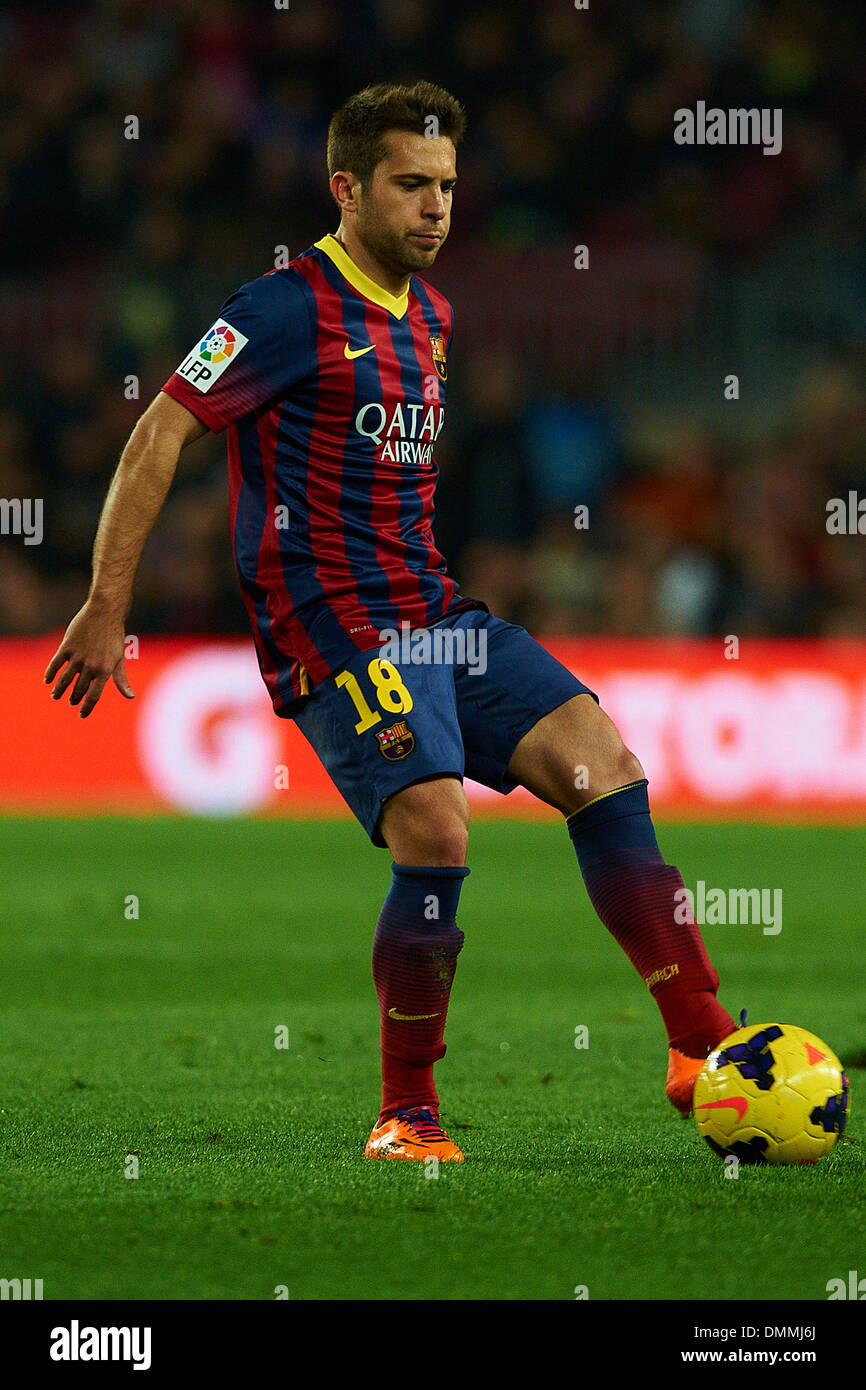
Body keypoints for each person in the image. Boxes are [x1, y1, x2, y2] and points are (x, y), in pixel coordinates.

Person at [45, 81, 736, 1162]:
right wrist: (105, 603)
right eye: (410, 185)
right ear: (346, 188)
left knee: (600, 761)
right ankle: (405, 1113)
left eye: (448, 187)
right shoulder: (281, 307)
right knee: (434, 823)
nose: (434, 208)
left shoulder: (435, 319)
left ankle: (701, 1043)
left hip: (430, 606)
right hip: (332, 621)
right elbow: (159, 436)